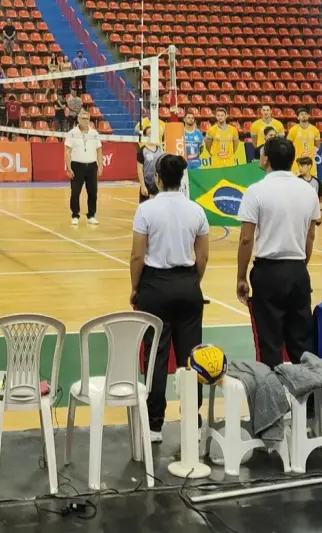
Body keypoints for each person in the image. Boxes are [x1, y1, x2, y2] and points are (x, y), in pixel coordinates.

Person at [130, 154, 209, 442]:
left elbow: (138, 254)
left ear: (158, 179)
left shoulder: (146, 210)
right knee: (192, 357)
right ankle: (193, 421)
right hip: (188, 283)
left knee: (156, 355)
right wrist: (192, 282)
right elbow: (203, 256)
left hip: (155, 285)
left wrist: (136, 287)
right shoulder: (196, 210)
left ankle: (154, 424)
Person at [236, 137, 319, 368]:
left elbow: (245, 239)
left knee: (270, 344)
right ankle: (309, 403)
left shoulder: (256, 191)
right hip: (297, 269)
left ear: (266, 159)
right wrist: (300, 266)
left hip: (268, 272)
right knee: (302, 344)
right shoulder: (308, 190)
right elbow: (310, 236)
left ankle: (274, 403)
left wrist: (241, 276)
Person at [65, 108, 102, 225]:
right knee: (75, 192)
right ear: (78, 119)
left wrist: (100, 166)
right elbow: (67, 152)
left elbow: (99, 150)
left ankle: (91, 215)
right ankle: (75, 215)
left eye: (87, 119)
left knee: (93, 192)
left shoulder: (94, 133)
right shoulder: (71, 133)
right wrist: (68, 167)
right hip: (77, 166)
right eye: (83, 118)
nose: (85, 121)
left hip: (91, 166)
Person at [296, 156, 322, 254]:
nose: (300, 168)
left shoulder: (317, 181)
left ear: (309, 166)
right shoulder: (296, 181)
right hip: (299, 214)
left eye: (302, 165)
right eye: (299, 166)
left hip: (313, 212)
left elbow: (321, 199)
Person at [286, 107, 320, 177]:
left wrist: (311, 153)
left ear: (308, 116)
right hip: (297, 161)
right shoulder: (293, 130)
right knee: (296, 183)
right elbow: (288, 144)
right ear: (298, 117)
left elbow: (317, 145)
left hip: (310, 161)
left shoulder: (315, 130)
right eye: (301, 114)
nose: (304, 115)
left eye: (305, 114)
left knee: (312, 183)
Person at [137, 126, 165, 203]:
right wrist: (142, 186)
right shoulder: (142, 150)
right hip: (147, 183)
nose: (151, 135)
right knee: (144, 207)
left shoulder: (161, 149)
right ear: (145, 136)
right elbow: (139, 170)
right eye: (149, 133)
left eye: (152, 133)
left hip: (159, 183)